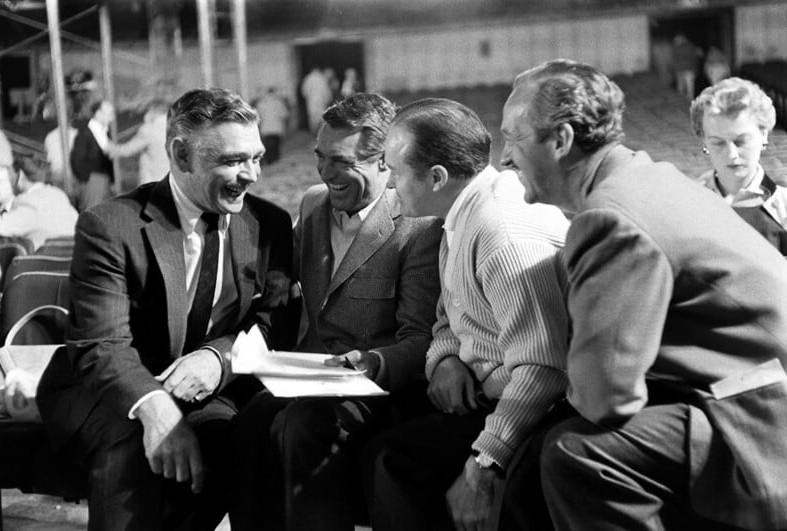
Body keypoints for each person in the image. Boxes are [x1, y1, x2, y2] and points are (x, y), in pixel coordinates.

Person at [500, 59, 787, 530]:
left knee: (575, 453)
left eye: (513, 139)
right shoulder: (646, 175)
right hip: (751, 391)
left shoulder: (610, 216)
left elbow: (605, 397)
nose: (504, 159)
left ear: (561, 141)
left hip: (761, 419)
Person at [37, 88, 294, 531]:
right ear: (180, 154)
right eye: (234, 160)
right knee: (132, 448)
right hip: (110, 388)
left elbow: (275, 320)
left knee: (240, 439)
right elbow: (102, 345)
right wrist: (155, 407)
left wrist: (219, 358)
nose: (252, 174)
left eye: (257, 157)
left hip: (207, 389)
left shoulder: (269, 224)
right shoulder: (110, 225)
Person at [230, 92, 442, 531]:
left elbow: (420, 338)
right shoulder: (313, 204)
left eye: (342, 162)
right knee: (248, 422)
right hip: (307, 377)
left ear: (384, 162)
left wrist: (372, 361)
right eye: (320, 157)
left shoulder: (418, 227)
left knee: (303, 427)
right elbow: (281, 279)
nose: (326, 173)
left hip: (375, 391)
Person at [362, 98, 571, 531]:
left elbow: (543, 368)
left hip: (541, 410)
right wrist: (445, 359)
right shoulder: (460, 213)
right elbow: (449, 315)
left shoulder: (501, 234)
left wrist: (484, 462)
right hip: (488, 390)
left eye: (397, 172)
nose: (391, 186)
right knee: (373, 440)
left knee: (394, 463)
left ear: (437, 177)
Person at [690, 77, 786, 254]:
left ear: (764, 135)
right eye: (718, 143)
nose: (731, 155)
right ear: (704, 141)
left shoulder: (783, 207)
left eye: (741, 141)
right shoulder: (687, 201)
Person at [0, 155, 78, 249]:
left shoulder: (27, 201)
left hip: (43, 256)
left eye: (12, 176)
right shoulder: (59, 195)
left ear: (20, 176)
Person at [107, 99, 169, 186]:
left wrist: (108, 147)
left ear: (153, 111)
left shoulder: (149, 129)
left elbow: (127, 150)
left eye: (148, 111)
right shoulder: (177, 129)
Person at [70, 99, 115, 211]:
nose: (112, 117)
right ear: (98, 113)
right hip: (92, 183)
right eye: (109, 113)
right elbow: (77, 161)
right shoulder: (84, 133)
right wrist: (90, 179)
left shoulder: (105, 132)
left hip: (104, 181)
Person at [255, 88, 290, 165]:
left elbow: (258, 117)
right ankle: (275, 162)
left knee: (268, 147)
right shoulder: (279, 102)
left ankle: (269, 162)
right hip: (277, 129)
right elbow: (285, 115)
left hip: (265, 129)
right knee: (275, 148)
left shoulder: (261, 103)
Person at [44, 117, 78, 190]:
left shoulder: (49, 136)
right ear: (71, 120)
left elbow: (48, 158)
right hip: (71, 176)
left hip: (55, 175)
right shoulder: (77, 134)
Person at [301, 67, 333, 133]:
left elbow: (303, 91)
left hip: (311, 102)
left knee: (312, 118)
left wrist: (308, 97)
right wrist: (328, 100)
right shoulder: (322, 78)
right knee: (321, 117)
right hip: (321, 101)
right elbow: (327, 92)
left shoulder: (308, 78)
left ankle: (314, 133)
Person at [672, 34, 701, 99]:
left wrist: (694, 69)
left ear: (682, 39)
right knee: (681, 88)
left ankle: (689, 101)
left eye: (677, 40)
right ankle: (681, 101)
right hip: (680, 70)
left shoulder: (689, 47)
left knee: (689, 88)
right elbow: (675, 59)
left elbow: (694, 58)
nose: (676, 41)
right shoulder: (677, 47)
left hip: (688, 70)